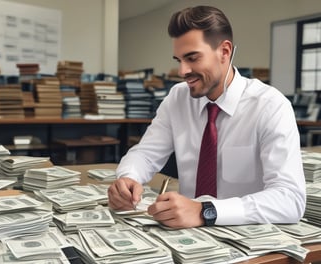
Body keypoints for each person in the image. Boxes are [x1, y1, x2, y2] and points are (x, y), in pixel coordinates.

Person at [108, 5, 306, 228]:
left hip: (249, 239)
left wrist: (206, 211)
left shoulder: (270, 106)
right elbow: (146, 153)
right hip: (189, 239)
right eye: (178, 60)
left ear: (224, 51)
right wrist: (128, 178)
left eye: (192, 58)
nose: (182, 71)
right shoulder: (178, 98)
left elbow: (290, 200)